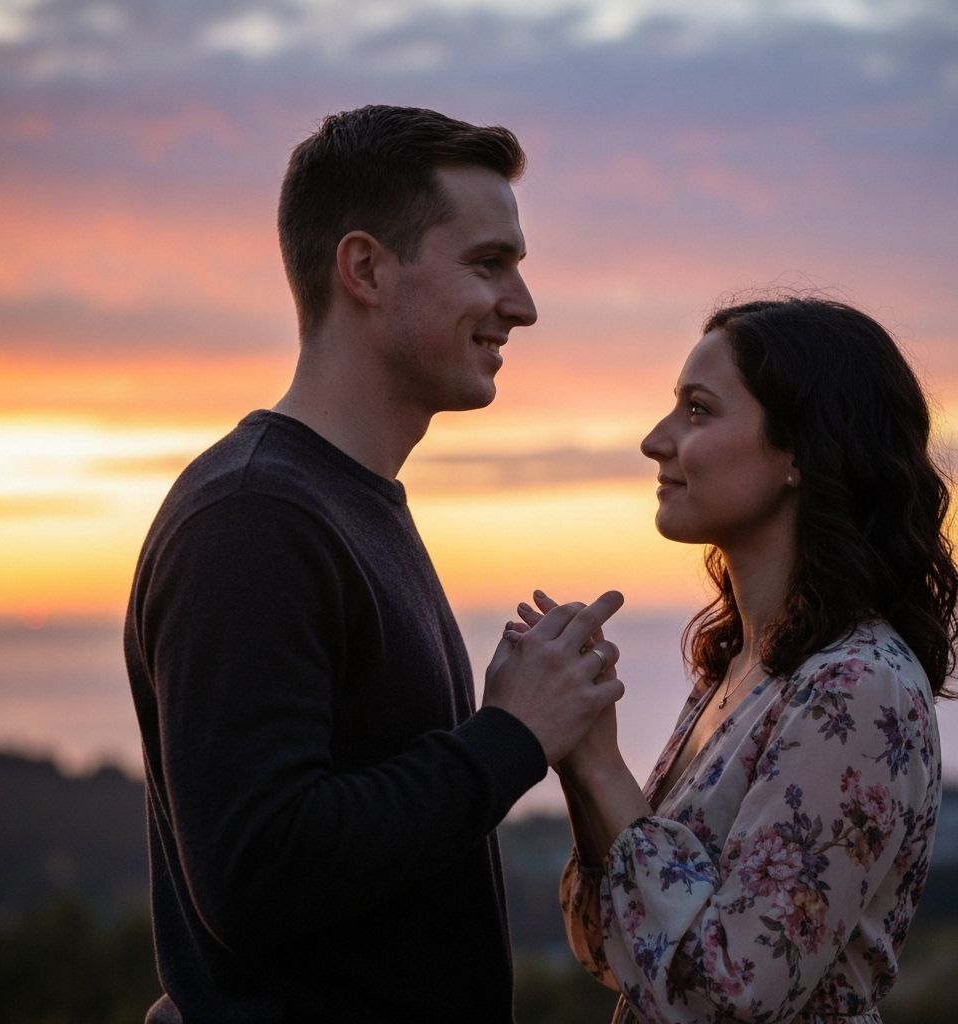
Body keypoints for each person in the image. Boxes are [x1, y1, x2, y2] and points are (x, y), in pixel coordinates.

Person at [123, 104, 625, 1023]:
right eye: (488, 263)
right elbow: (256, 877)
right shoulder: (254, 520)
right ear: (364, 268)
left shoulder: (346, 506)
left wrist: (513, 726)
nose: (523, 304)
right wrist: (510, 738)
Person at [508, 297, 956, 1023]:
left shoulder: (857, 686)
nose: (656, 440)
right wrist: (574, 752)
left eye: (697, 410)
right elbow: (607, 949)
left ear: (801, 454)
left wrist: (598, 764)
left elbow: (730, 995)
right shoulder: (741, 670)